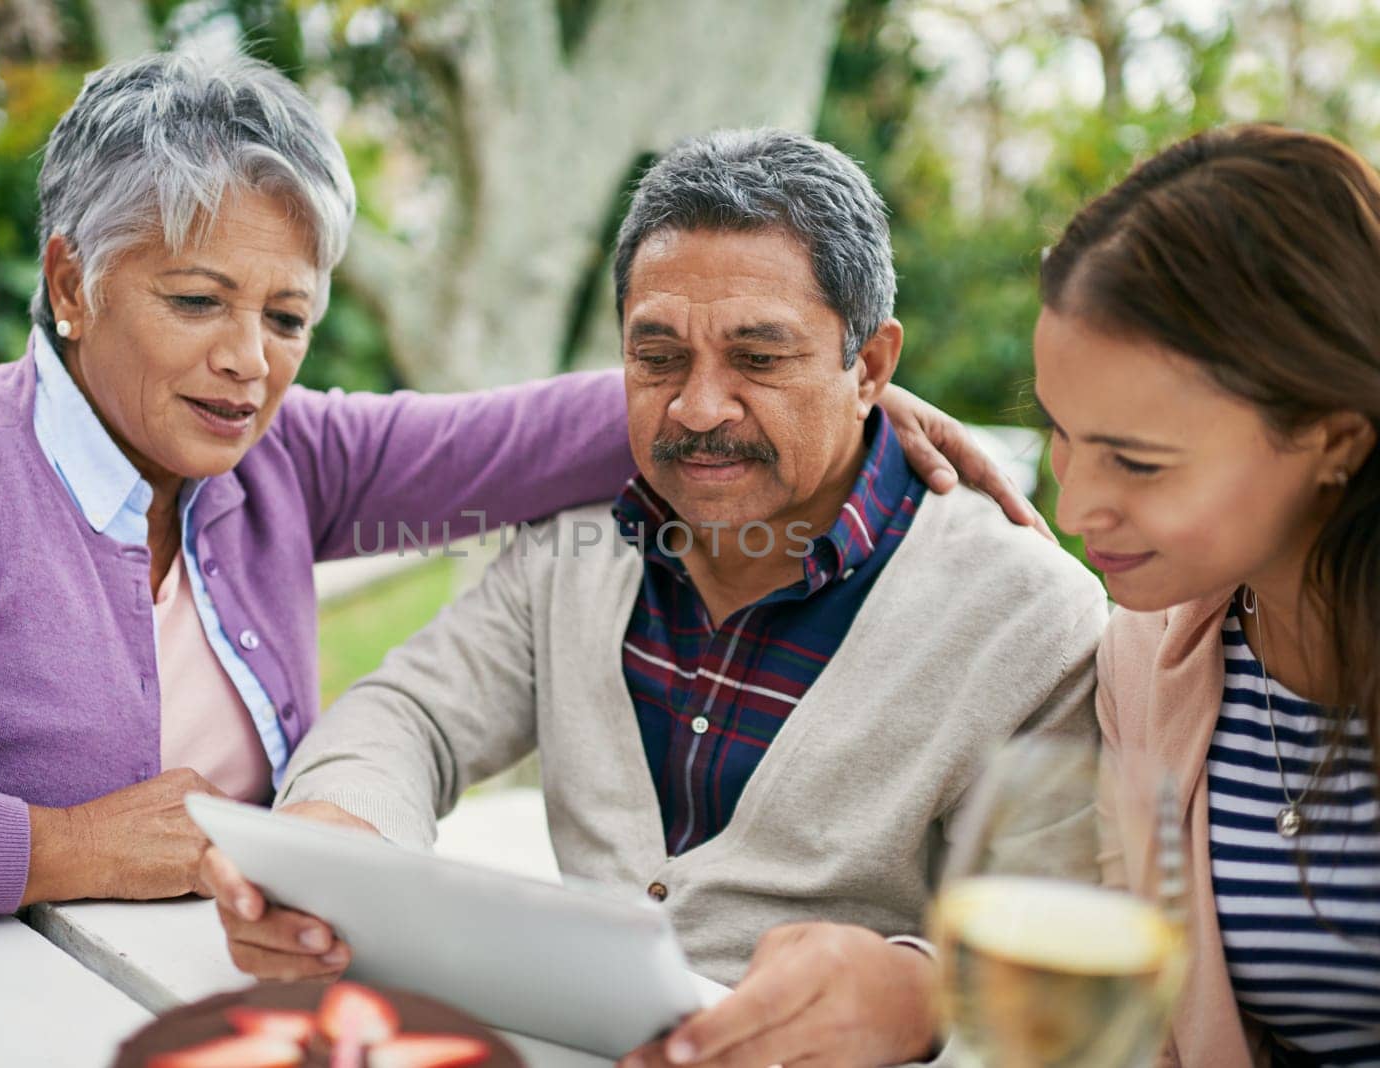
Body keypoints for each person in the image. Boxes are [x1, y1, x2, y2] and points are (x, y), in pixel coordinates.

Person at [0, 54, 1021, 948]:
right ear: (73, 281)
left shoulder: (274, 458)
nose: (248, 361)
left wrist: (827, 404)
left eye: (286, 318)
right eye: (198, 301)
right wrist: (59, 848)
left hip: (194, 1005)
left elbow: (530, 438)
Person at [204, 128, 1108, 1068]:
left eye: (760, 359)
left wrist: (924, 999)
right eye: (659, 357)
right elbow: (413, 714)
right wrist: (340, 831)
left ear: (871, 367)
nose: (699, 408)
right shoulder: (576, 541)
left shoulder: (1032, 621)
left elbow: (1077, 977)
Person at [1035, 124, 1380, 1065]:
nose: (1075, 507)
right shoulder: (1149, 663)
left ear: (1335, 440)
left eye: (1138, 462)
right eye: (1062, 432)